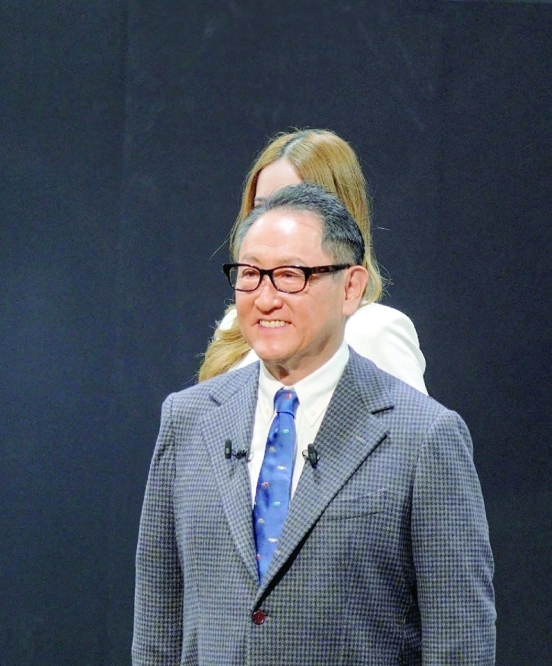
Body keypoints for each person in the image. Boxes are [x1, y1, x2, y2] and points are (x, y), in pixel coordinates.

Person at [133, 183, 495, 664]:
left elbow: (460, 640)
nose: (265, 298)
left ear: (351, 288)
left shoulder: (424, 437)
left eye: (290, 276)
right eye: (250, 275)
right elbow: (158, 621)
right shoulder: (188, 419)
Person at [199, 129, 427, 394]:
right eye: (260, 207)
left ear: (340, 217)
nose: (274, 219)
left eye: (296, 204)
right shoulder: (235, 326)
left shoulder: (374, 331)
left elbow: (413, 427)